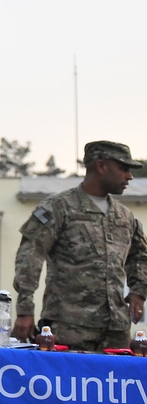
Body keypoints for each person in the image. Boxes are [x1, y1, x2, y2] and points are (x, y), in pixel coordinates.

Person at [11, 140, 147, 352]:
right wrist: (24, 310)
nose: (129, 176)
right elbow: (30, 256)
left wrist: (138, 291)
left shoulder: (125, 216)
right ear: (101, 167)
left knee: (111, 384)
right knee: (67, 385)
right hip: (67, 328)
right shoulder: (59, 207)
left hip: (115, 331)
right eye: (123, 168)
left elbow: (140, 256)